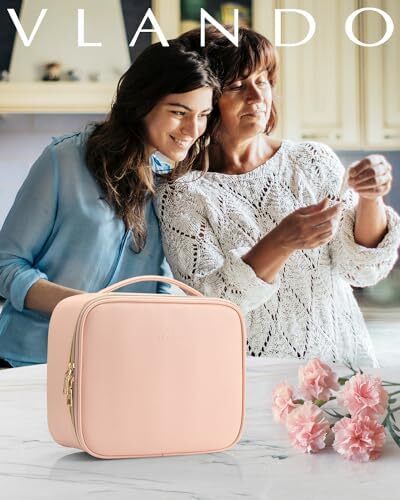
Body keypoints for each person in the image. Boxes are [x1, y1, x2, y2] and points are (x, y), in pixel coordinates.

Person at [155, 27, 400, 367]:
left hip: (341, 368)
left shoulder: (312, 161)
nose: (257, 96)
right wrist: (281, 241)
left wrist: (371, 197)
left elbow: (363, 270)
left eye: (263, 80)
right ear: (205, 98)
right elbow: (212, 305)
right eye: (237, 86)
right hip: (248, 376)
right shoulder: (181, 193)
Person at [0, 40, 219, 368]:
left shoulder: (170, 186)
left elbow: (159, 287)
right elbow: (6, 264)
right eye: (179, 112)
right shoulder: (64, 160)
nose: (193, 129)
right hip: (29, 361)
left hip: (115, 369)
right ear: (143, 102)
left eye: (203, 115)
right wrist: (85, 309)